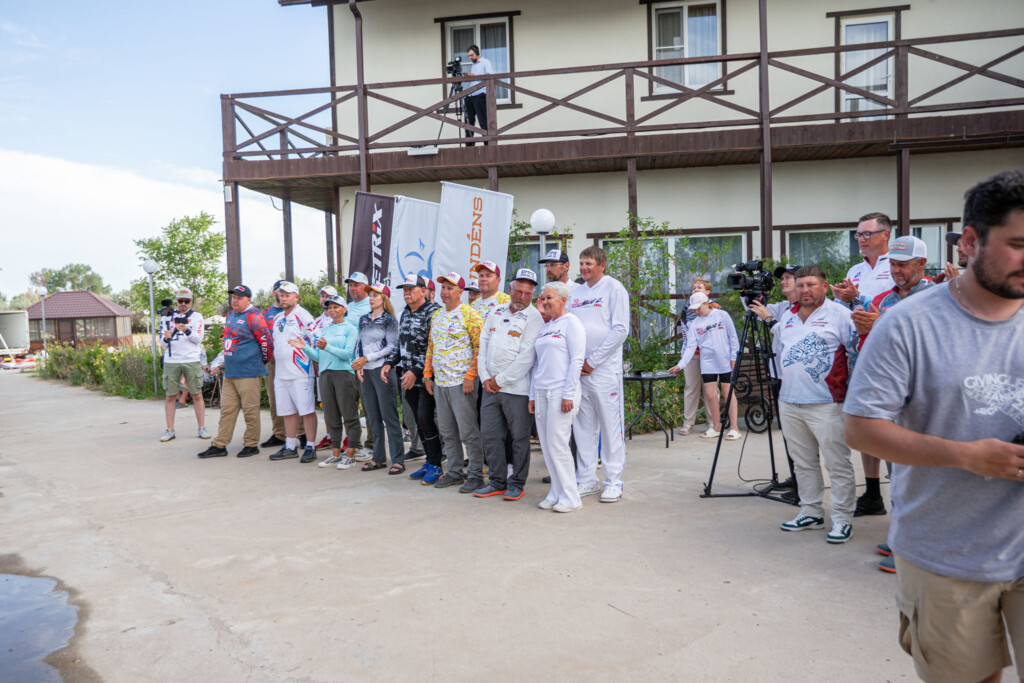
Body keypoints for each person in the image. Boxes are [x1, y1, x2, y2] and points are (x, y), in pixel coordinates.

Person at [844, 170, 1024, 683]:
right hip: (946, 553)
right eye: (1017, 245)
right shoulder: (907, 324)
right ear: (969, 242)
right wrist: (965, 455)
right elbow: (860, 428)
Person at [849, 236, 935, 524]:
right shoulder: (882, 300)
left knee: (920, 469)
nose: (896, 271)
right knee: (895, 466)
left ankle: (918, 532)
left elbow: (936, 344)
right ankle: (901, 529)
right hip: (890, 394)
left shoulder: (938, 297)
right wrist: (865, 331)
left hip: (925, 397)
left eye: (903, 265)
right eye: (894, 265)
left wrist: (882, 325)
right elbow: (870, 348)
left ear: (921, 264)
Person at [774, 266, 860, 544]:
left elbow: (858, 352)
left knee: (837, 463)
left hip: (827, 402)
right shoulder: (788, 316)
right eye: (800, 285)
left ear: (824, 287)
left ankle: (843, 519)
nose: (805, 290)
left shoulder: (840, 314)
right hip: (790, 401)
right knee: (803, 463)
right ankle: (811, 512)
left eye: (811, 285)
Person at [474, 268, 544, 501]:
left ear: (532, 294)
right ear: (510, 289)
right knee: (490, 436)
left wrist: (499, 381)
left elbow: (526, 358)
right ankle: (497, 481)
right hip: (490, 388)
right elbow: (483, 347)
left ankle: (517, 483)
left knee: (519, 438)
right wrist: (485, 378)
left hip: (517, 390)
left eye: (528, 293)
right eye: (519, 291)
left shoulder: (534, 318)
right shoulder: (496, 312)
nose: (522, 297)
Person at [567, 246, 630, 503]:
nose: (583, 268)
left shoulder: (614, 288)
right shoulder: (576, 293)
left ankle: (614, 481)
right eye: (581, 263)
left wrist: (593, 361)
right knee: (583, 428)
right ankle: (587, 479)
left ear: (602, 266)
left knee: (610, 427)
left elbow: (620, 330)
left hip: (604, 371)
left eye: (589, 263)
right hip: (579, 372)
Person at [423, 272, 484, 492]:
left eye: (450, 288)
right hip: (441, 383)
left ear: (460, 291)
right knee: (447, 431)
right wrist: (427, 375)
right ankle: (455, 472)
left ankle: (475, 474)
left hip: (461, 382)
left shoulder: (471, 315)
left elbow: (480, 348)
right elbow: (432, 347)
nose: (445, 292)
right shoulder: (437, 315)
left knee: (468, 432)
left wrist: (471, 376)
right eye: (443, 288)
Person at [530, 281, 587, 512]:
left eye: (549, 298)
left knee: (558, 445)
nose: (544, 302)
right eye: (543, 298)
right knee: (547, 446)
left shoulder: (571, 323)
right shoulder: (546, 327)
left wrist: (568, 393)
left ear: (563, 300)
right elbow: (537, 364)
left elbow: (577, 360)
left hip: (561, 392)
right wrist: (532, 395)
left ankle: (571, 497)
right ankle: (556, 492)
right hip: (542, 392)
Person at [198, 285, 272, 459]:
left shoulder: (254, 316)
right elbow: (228, 343)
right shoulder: (230, 315)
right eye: (233, 297)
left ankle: (251, 444)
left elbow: (267, 344)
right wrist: (219, 364)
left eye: (239, 298)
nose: (235, 301)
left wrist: (258, 362)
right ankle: (220, 445)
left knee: (250, 411)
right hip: (230, 372)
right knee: (227, 410)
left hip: (249, 372)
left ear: (248, 299)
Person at [294, 295, 361, 470]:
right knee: (331, 416)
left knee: (349, 415)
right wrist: (305, 348)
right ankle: (336, 454)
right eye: (329, 307)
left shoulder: (351, 329)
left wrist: (327, 347)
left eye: (336, 307)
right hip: (325, 375)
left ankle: (350, 454)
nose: (332, 310)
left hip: (344, 374)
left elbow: (348, 354)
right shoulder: (324, 330)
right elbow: (319, 356)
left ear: (344, 309)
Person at [669, 291, 741, 441]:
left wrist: (734, 357)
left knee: (728, 393)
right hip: (707, 362)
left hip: (725, 361)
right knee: (710, 395)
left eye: (698, 308)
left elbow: (733, 337)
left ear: (706, 303)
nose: (696, 312)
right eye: (693, 309)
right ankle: (716, 427)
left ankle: (734, 428)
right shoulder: (695, 323)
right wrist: (680, 365)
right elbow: (690, 347)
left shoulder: (722, 315)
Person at [396, 275, 445, 485]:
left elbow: (432, 347)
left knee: (426, 418)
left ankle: (436, 464)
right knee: (417, 420)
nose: (407, 293)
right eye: (404, 289)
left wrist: (416, 371)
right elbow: (401, 344)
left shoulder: (433, 312)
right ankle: (429, 461)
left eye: (411, 289)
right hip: (409, 378)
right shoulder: (405, 313)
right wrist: (389, 363)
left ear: (423, 291)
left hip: (426, 377)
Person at [351, 283, 404, 473]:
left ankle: (398, 459)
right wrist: (359, 363)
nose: (371, 298)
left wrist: (368, 358)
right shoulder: (364, 319)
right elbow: (359, 343)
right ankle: (379, 458)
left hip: (382, 370)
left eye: (375, 295)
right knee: (373, 416)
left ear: (384, 298)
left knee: (389, 416)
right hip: (366, 371)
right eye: (370, 295)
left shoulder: (389, 320)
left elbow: (392, 346)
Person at [271, 281, 319, 463]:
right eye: (281, 295)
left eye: (287, 295)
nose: (283, 298)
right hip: (281, 373)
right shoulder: (277, 318)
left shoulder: (303, 315)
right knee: (287, 411)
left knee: (307, 411)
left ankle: (310, 446)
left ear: (296, 297)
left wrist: (314, 358)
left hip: (300, 372)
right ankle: (290, 446)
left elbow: (317, 337)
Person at [159, 288, 209, 442]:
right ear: (176, 300)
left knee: (197, 394)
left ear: (191, 301)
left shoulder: (197, 317)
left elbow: (198, 339)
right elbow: (162, 343)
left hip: (191, 359)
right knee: (170, 396)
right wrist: (166, 338)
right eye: (180, 300)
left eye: (186, 301)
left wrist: (186, 330)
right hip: (171, 360)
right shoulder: (166, 317)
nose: (183, 304)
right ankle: (170, 430)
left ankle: (202, 428)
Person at [675, 279, 721, 436]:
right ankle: (688, 423)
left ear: (708, 292)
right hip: (691, 354)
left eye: (699, 287)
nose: (695, 289)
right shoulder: (687, 308)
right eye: (694, 287)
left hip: (711, 355)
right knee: (691, 388)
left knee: (711, 389)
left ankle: (713, 422)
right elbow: (686, 331)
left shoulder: (716, 308)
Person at [831, 212, 896, 309]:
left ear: (885, 235)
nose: (861, 240)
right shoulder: (854, 270)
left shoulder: (897, 268)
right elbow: (853, 305)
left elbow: (897, 307)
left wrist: (857, 297)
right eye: (859, 235)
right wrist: (845, 299)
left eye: (867, 234)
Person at [344, 272, 374, 458]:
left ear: (365, 286)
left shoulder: (371, 305)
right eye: (350, 285)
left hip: (366, 365)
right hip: (347, 365)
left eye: (356, 285)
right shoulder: (346, 308)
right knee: (349, 408)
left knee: (369, 407)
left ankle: (372, 444)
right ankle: (354, 445)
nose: (352, 288)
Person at [259, 280, 290, 449]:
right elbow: (260, 337)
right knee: (274, 398)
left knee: (296, 397)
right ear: (274, 292)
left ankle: (301, 433)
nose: (282, 294)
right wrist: (267, 355)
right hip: (272, 363)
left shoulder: (294, 311)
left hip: (292, 361)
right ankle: (279, 434)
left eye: (286, 291)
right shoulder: (265, 313)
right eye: (280, 291)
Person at [312, 285, 341, 453]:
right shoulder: (315, 322)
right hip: (323, 369)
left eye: (328, 296)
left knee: (344, 405)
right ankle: (330, 437)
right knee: (327, 405)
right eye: (322, 296)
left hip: (340, 368)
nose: (325, 299)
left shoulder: (341, 319)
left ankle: (347, 438)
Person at [463, 44, 493, 146]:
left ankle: (487, 145)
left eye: (472, 55)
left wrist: (474, 76)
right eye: (469, 56)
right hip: (471, 95)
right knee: (468, 121)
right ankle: (469, 146)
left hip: (480, 94)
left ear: (477, 53)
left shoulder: (485, 62)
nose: (470, 57)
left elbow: (489, 76)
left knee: (483, 121)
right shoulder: (474, 65)